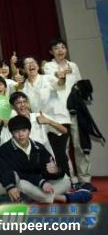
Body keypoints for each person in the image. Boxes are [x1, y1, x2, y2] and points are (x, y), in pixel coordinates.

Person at [0, 115, 91, 204]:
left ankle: (35, 197)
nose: (20, 134)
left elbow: (49, 171)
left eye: (24, 130)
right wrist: (41, 182)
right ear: (11, 133)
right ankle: (64, 198)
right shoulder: (5, 150)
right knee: (21, 183)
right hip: (24, 185)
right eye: (16, 131)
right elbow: (16, 174)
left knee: (66, 182)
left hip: (38, 186)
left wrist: (56, 170)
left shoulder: (39, 147)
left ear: (29, 131)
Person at [42, 38, 94, 191]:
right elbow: (54, 81)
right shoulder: (48, 66)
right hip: (58, 113)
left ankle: (85, 179)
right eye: (56, 48)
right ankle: (70, 179)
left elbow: (78, 85)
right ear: (51, 52)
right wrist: (62, 73)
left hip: (75, 111)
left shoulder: (73, 65)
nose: (60, 50)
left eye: (63, 47)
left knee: (80, 145)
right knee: (62, 148)